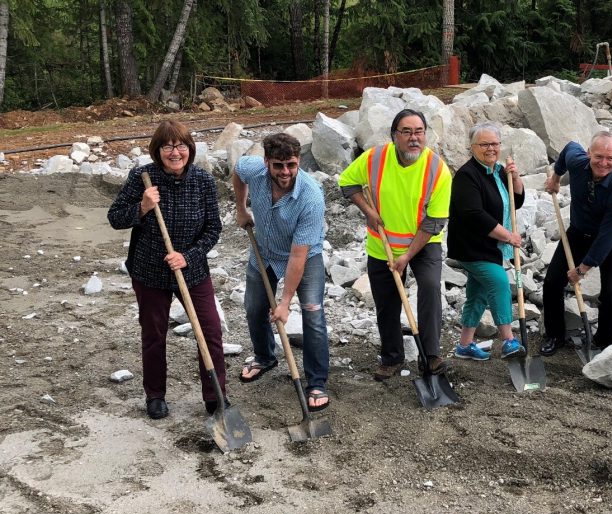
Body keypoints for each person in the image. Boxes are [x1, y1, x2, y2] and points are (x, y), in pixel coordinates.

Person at [108, 120, 225, 420]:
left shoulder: (202, 180)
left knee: (210, 331)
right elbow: (115, 218)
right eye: (168, 146)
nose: (176, 152)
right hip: (149, 272)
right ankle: (155, 396)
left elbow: (213, 228)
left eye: (181, 145)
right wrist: (143, 207)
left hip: (193, 270)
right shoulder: (142, 177)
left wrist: (189, 256)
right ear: (158, 150)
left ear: (190, 149)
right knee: (154, 334)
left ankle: (216, 396)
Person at [338, 109, 452, 381]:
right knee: (386, 302)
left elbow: (435, 222)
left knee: (429, 287)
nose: (414, 138)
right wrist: (368, 210)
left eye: (419, 132)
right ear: (394, 136)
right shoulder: (375, 158)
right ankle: (391, 357)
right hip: (382, 244)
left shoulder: (438, 170)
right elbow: (347, 183)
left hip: (423, 244)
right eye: (407, 132)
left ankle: (431, 355)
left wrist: (407, 256)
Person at [233, 133, 330, 412]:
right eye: (278, 165)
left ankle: (317, 381)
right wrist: (241, 208)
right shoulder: (254, 170)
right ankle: (265, 357)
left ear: (298, 161)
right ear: (267, 163)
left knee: (312, 312)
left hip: (304, 257)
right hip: (264, 251)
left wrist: (286, 302)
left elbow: (298, 255)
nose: (285, 172)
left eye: (291, 164)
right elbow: (237, 172)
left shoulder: (311, 196)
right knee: (254, 308)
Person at [541, 131, 612, 356]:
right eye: (599, 156)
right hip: (578, 232)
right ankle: (554, 335)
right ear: (589, 153)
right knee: (552, 282)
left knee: (610, 293)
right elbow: (570, 146)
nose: (603, 163)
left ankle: (605, 340)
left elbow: (607, 238)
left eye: (610, 158)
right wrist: (556, 177)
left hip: (611, 237)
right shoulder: (577, 161)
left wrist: (582, 269)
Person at [447, 122, 526, 361]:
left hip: (491, 246)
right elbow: (475, 216)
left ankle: (464, 345)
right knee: (499, 281)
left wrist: (516, 177)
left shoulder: (500, 171)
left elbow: (517, 201)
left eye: (494, 144)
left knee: (478, 293)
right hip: (471, 247)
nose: (490, 148)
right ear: (472, 147)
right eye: (484, 144)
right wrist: (508, 236)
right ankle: (509, 340)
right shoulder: (466, 176)